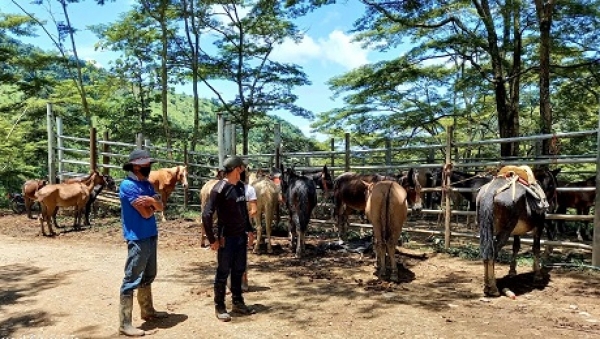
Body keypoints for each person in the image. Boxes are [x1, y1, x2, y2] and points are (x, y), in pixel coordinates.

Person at [118, 149, 168, 336]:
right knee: (132, 278)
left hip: (150, 234)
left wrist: (153, 203)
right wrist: (153, 204)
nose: (149, 167)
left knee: (149, 274)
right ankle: (125, 323)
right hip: (137, 237)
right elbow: (146, 213)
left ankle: (148, 311)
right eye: (146, 164)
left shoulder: (146, 184)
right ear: (136, 166)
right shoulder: (127, 186)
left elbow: (160, 206)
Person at [202, 155, 256, 322]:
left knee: (239, 270)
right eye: (241, 167)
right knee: (223, 272)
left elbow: (243, 212)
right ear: (235, 169)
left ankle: (238, 302)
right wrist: (212, 239)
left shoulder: (240, 187)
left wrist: (250, 230)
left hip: (240, 236)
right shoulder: (219, 189)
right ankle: (220, 306)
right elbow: (206, 214)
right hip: (226, 238)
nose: (243, 170)